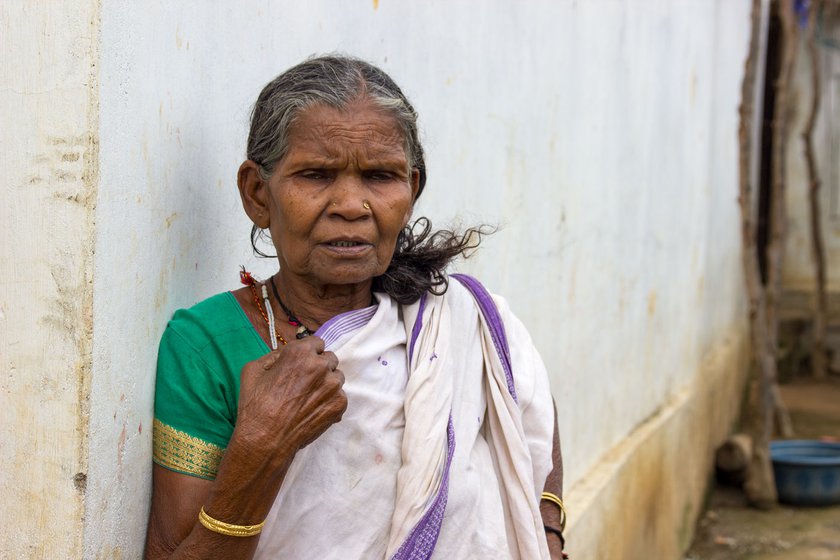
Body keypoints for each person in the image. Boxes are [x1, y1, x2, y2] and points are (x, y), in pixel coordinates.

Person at [144, 55, 566, 560]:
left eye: (379, 176)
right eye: (316, 175)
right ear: (258, 194)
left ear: (411, 191)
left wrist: (547, 533)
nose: (350, 204)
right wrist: (261, 446)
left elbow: (528, 426)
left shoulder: (460, 322)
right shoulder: (208, 345)